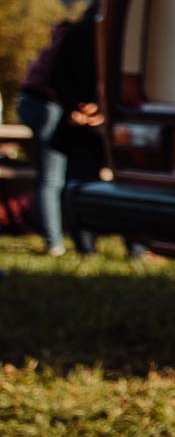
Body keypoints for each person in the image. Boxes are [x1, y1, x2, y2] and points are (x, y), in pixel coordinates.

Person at [15, 15, 101, 257]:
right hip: (48, 103)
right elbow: (64, 79)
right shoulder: (84, 37)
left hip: (43, 102)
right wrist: (80, 107)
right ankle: (55, 242)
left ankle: (62, 241)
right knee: (52, 177)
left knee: (56, 176)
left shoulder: (72, 34)